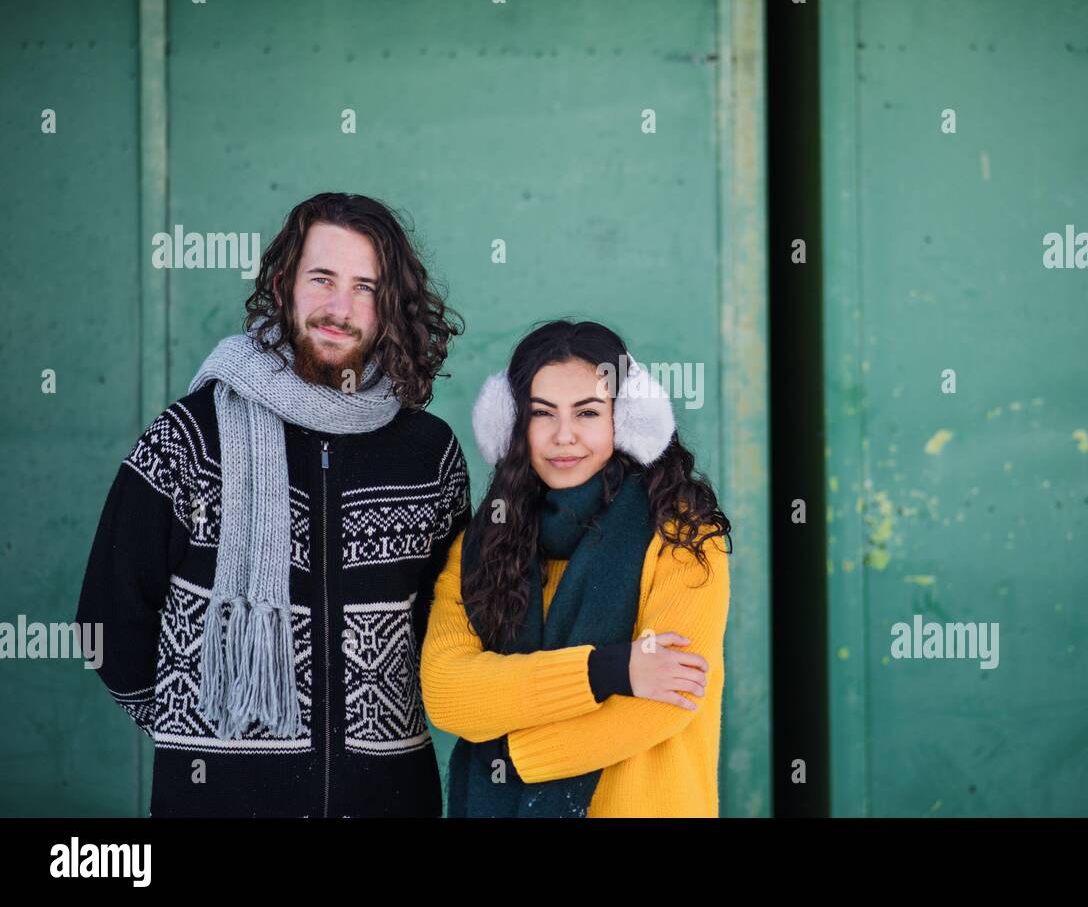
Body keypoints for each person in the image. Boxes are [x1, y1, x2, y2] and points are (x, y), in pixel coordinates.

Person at [75, 192, 470, 816]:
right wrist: (192, 730)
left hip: (390, 800)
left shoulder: (427, 454)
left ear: (389, 304)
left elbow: (449, 630)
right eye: (323, 280)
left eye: (365, 287)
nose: (340, 309)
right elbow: (107, 615)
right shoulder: (190, 439)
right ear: (285, 284)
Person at [420, 320, 731, 817]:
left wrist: (514, 754)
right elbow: (449, 693)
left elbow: (664, 701)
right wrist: (609, 669)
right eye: (542, 414)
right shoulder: (481, 545)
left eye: (587, 412)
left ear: (625, 419)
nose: (564, 437)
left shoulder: (683, 537)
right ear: (513, 425)